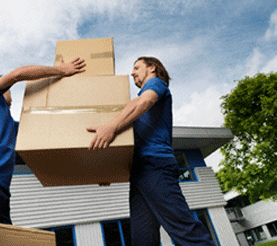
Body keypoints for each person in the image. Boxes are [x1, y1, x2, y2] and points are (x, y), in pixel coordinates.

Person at [0, 57, 86, 234]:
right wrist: (61, 70)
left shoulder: (10, 124)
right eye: (8, 88)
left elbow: (47, 129)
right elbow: (18, 74)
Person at [87, 57, 215, 246]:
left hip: (156, 165)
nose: (132, 72)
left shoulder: (156, 84)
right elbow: (130, 145)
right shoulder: (134, 107)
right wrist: (111, 172)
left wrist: (111, 126)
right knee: (142, 240)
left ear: (152, 68)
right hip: (140, 172)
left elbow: (145, 101)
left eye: (137, 67)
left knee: (186, 232)